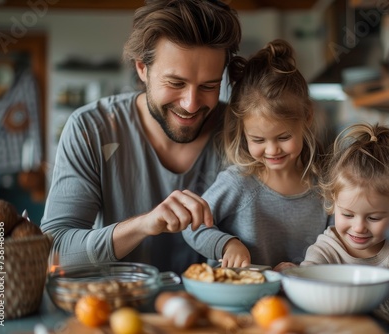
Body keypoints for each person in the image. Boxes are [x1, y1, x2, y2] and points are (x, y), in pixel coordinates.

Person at [40, 0, 242, 275]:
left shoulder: (245, 133)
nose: (191, 104)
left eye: (209, 86)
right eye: (175, 83)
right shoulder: (91, 129)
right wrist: (144, 224)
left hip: (216, 313)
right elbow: (54, 251)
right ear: (142, 69)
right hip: (117, 310)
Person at [182, 39, 329, 272]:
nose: (272, 150)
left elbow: (336, 244)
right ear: (243, 131)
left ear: (307, 117)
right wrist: (227, 244)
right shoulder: (238, 182)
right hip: (237, 299)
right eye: (258, 140)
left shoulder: (325, 186)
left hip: (300, 300)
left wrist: (304, 268)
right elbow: (192, 227)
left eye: (283, 137)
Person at [300, 122, 389, 323]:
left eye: (374, 218)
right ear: (333, 203)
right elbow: (305, 284)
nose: (359, 227)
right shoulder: (325, 250)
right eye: (348, 215)